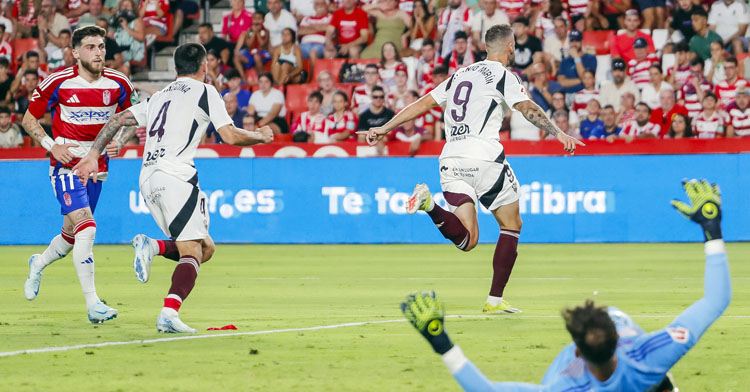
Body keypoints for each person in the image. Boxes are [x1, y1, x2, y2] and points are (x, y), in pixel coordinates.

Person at [402, 178, 730, 391]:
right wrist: (712, 228)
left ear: (576, 350)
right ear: (619, 340)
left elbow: (485, 389)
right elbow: (716, 300)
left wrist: (440, 340)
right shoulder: (648, 357)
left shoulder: (565, 385)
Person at [359, 25, 583, 314]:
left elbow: (423, 103)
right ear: (510, 47)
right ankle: (494, 301)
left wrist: (385, 127)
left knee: (468, 240)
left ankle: (429, 204)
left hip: (451, 158)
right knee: (512, 224)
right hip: (485, 158)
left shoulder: (459, 75)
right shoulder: (504, 75)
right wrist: (558, 133)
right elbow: (527, 108)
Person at [73, 43, 274, 333]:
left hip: (147, 177)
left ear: (176, 69)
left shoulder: (159, 96)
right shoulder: (206, 91)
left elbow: (118, 120)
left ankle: (152, 246)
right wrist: (260, 136)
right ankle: (169, 312)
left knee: (206, 248)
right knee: (193, 250)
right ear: (205, 67)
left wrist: (93, 154)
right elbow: (229, 134)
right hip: (176, 175)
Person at [21, 26, 134, 324]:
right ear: (74, 52)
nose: (99, 52)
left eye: (101, 46)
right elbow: (28, 118)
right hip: (66, 165)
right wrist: (51, 146)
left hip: (98, 169)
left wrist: (120, 141)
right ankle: (93, 303)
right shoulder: (58, 81)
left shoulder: (119, 82)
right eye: (91, 47)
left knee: (71, 236)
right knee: (87, 228)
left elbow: (134, 118)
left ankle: (39, 262)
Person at [233, 11, 271, 82]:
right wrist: (253, 33)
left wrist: (257, 32)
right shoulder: (249, 31)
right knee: (236, 58)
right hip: (251, 53)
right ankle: (244, 80)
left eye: (259, 18)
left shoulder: (266, 31)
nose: (256, 20)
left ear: (263, 20)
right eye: (255, 18)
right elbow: (248, 44)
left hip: (262, 53)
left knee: (256, 57)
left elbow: (262, 44)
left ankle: (262, 78)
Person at [556, 30, 596, 95]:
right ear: (569, 42)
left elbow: (585, 78)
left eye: (577, 40)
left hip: (585, 93)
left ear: (582, 42)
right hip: (567, 95)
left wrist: (576, 57)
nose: (574, 43)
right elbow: (561, 83)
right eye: (572, 41)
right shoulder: (565, 61)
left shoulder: (590, 58)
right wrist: (581, 81)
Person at [298, 0, 330, 64]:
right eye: (317, 4)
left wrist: (309, 27)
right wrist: (320, 28)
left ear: (327, 6)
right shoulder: (307, 18)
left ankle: (312, 74)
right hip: (304, 44)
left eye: (322, 4)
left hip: (320, 44)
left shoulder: (330, 17)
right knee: (293, 51)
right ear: (314, 7)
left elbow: (327, 28)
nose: (320, 6)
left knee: (313, 53)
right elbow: (300, 32)